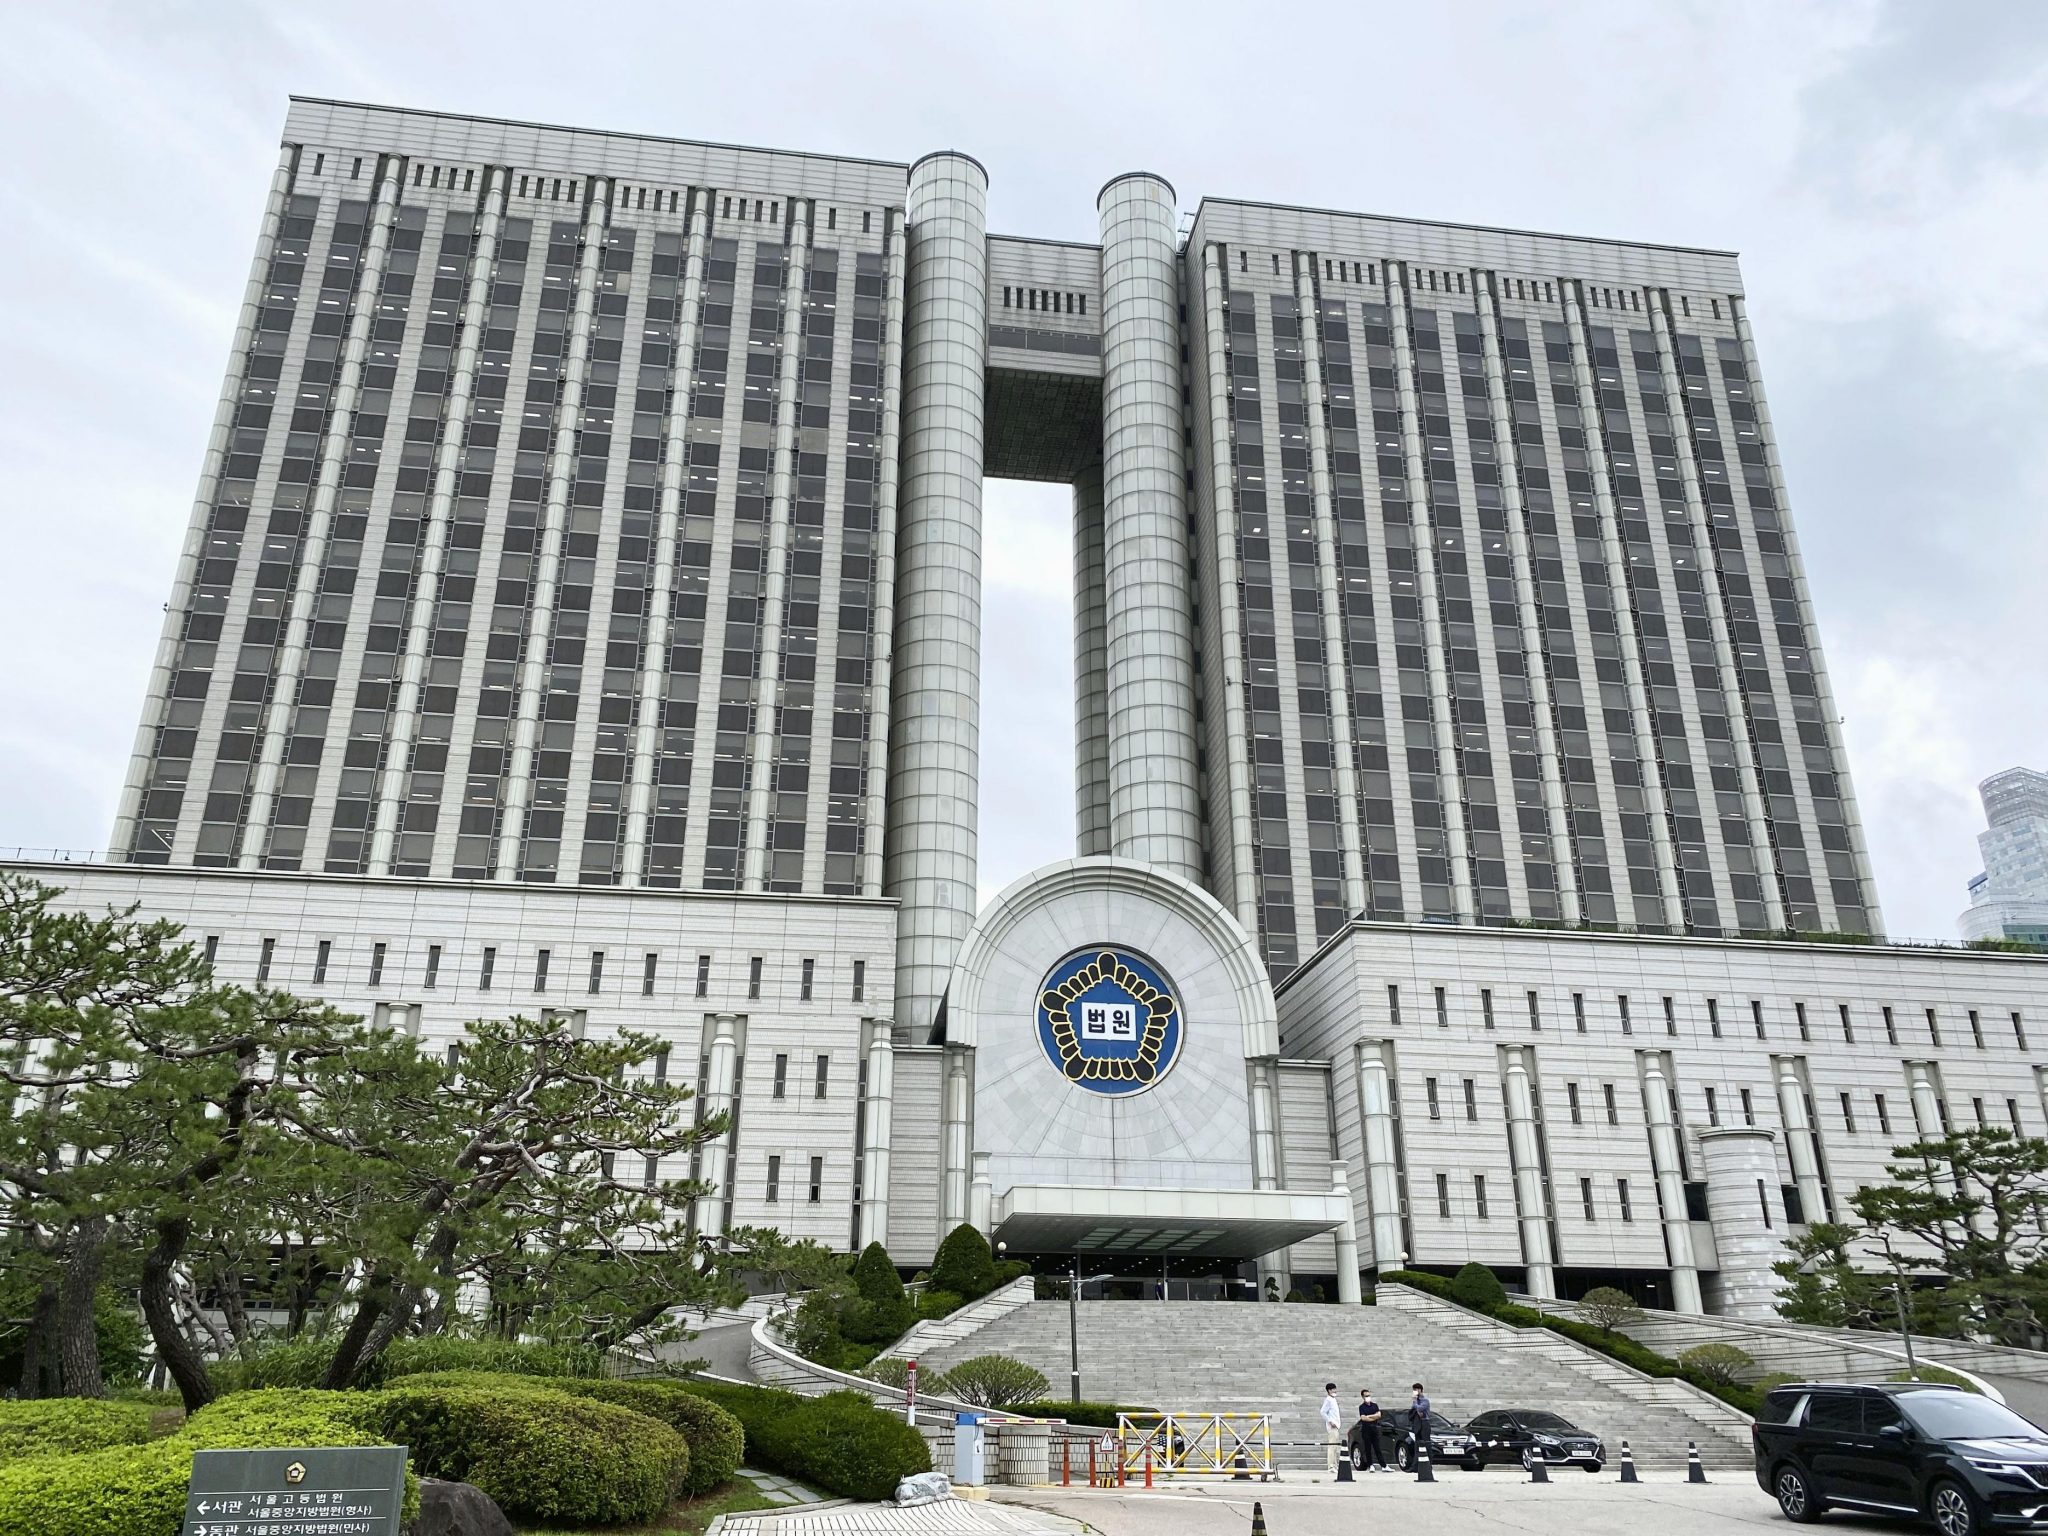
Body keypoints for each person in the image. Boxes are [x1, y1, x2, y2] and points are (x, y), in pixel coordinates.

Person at [1353, 1388, 1387, 1472]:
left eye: (1369, 1395)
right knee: (1367, 1448)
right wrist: (1373, 1417)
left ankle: (1384, 1466)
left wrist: (1369, 1416)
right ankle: (1370, 1465)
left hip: (1374, 1428)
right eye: (1366, 1396)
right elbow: (1363, 1418)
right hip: (1366, 1429)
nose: (1368, 1397)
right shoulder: (1361, 1407)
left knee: (1377, 1448)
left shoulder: (1374, 1405)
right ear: (1363, 1397)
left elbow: (1379, 1415)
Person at [1321, 1383, 1344, 1473]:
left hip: (1336, 1426)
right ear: (1329, 1390)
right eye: (1333, 1389)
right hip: (1332, 1426)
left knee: (1335, 1447)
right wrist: (1330, 1421)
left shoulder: (1333, 1400)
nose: (1335, 1391)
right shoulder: (1328, 1400)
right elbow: (1323, 1412)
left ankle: (1335, 1465)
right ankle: (1331, 1466)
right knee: (1332, 1446)